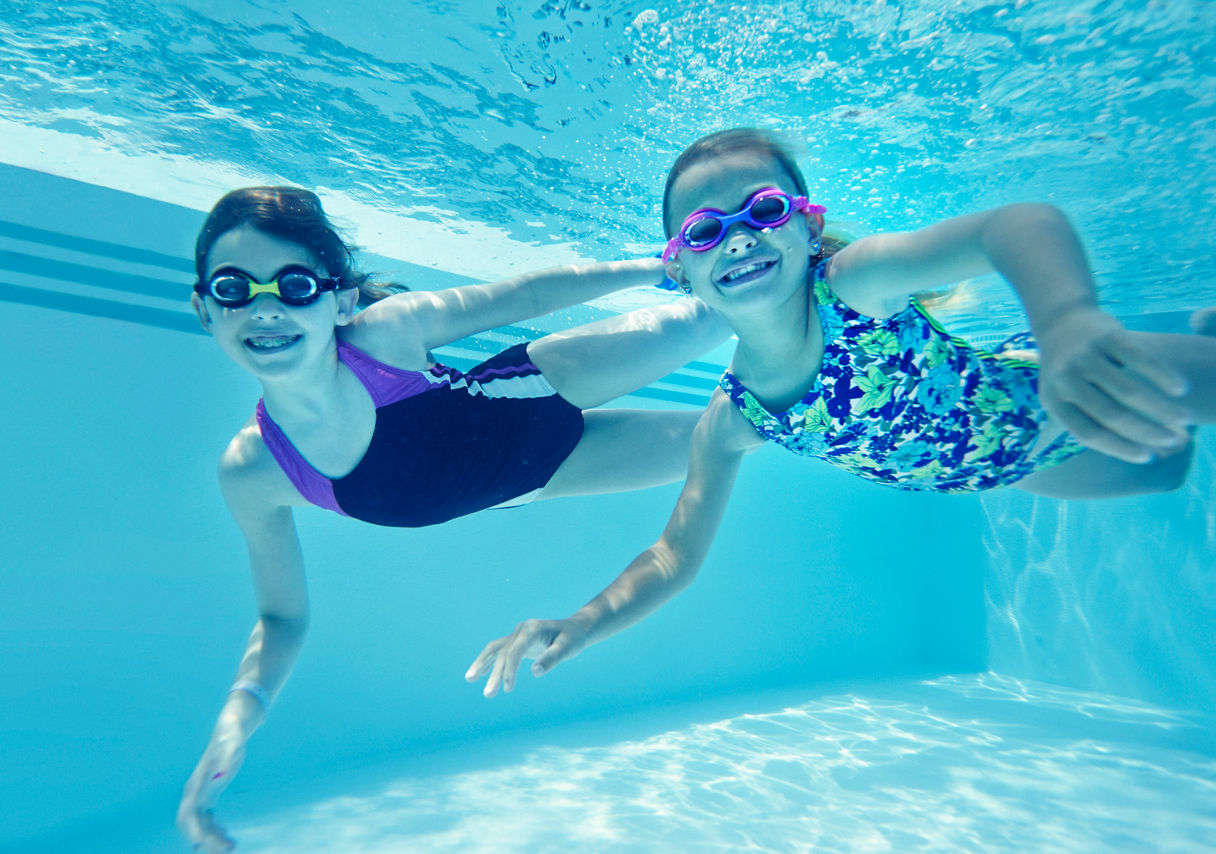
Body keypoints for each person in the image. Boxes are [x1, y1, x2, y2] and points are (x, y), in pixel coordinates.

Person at [466, 126, 1216, 699]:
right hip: (1015, 468)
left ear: (807, 227)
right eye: (703, 231)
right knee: (1166, 466)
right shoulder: (735, 420)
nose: (738, 237)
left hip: (1060, 380)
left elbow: (1014, 225)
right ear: (680, 269)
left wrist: (1069, 321)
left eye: (762, 209)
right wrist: (585, 620)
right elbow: (671, 557)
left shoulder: (856, 286)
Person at [177, 186, 732, 852]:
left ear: (341, 299)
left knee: (718, 311)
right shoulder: (255, 469)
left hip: (541, 388)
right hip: (546, 476)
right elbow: (282, 618)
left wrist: (655, 269)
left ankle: (826, 261)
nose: (265, 309)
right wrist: (242, 712)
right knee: (743, 431)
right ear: (204, 308)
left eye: (294, 285)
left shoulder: (382, 336)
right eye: (235, 288)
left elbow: (525, 296)